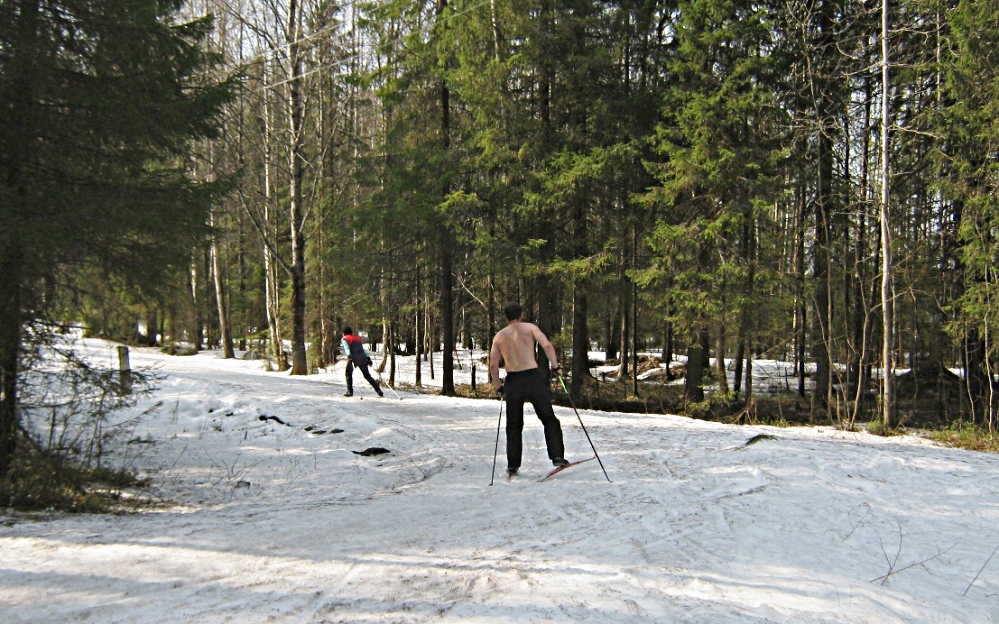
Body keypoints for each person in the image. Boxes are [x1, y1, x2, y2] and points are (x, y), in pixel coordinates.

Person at [489, 303, 568, 477]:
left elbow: (493, 365)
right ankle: (557, 456)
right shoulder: (530, 328)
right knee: (548, 418)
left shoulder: (500, 336)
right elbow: (547, 346)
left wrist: (499, 387)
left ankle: (513, 465)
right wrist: (555, 367)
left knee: (514, 425)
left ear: (505, 317)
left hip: (513, 380)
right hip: (533, 377)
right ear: (521, 315)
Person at [340, 327, 383, 397]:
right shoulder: (357, 338)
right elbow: (362, 349)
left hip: (353, 357)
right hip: (363, 357)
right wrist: (367, 357)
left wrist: (349, 355)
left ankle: (349, 391)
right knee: (367, 375)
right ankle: (379, 391)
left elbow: (347, 348)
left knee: (348, 374)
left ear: (344, 333)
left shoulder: (344, 339)